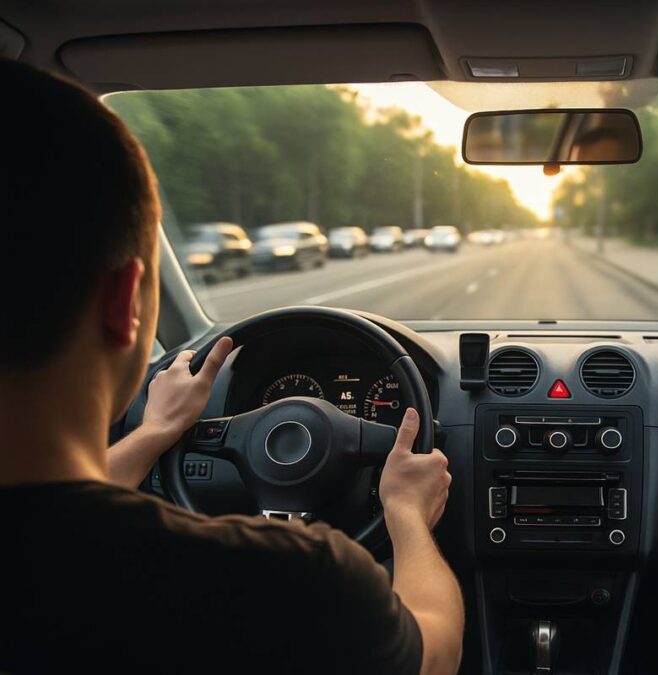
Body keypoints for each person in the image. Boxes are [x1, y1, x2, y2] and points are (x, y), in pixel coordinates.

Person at [0, 59, 463, 674]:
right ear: (124, 303)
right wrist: (405, 512)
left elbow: (51, 519)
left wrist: (155, 434)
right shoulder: (289, 582)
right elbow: (436, 650)